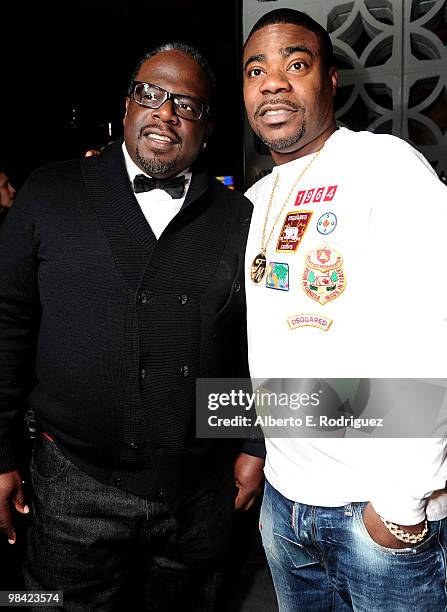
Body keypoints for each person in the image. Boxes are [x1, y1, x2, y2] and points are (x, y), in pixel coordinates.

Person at [0, 43, 264, 610]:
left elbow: (248, 344)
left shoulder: (238, 217)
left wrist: (251, 441)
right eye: (150, 93)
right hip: (71, 485)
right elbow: (8, 326)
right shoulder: (50, 192)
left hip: (200, 495)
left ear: (207, 125)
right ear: (127, 105)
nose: (165, 112)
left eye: (186, 104)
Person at [242, 8, 447, 611]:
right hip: (286, 507)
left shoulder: (384, 166)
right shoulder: (254, 202)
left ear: (330, 79)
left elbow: (435, 325)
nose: (273, 81)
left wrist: (404, 501)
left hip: (375, 516)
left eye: (295, 63)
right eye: (257, 70)